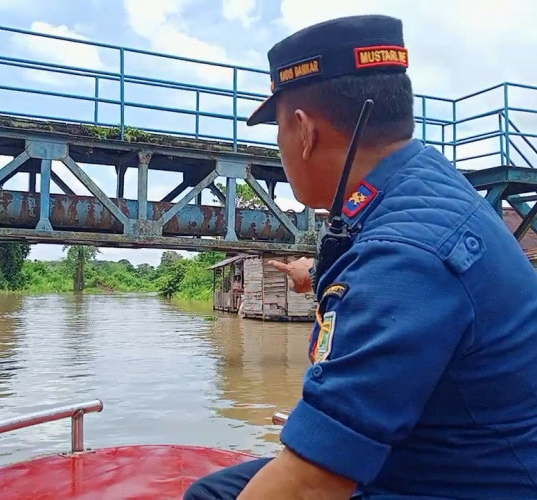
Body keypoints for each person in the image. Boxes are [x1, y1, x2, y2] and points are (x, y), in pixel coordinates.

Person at [184, 14, 537, 500]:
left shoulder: (404, 256)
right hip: (448, 454)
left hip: (455, 482)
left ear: (304, 130)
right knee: (220, 489)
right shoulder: (420, 183)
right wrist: (314, 275)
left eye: (278, 129)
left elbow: (310, 487)